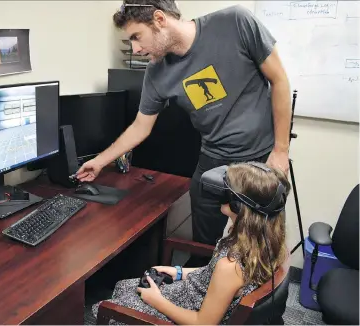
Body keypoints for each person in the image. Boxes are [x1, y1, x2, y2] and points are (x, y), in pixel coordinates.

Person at [76, 1, 292, 260]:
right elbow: (140, 127)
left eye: (136, 37)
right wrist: (99, 162)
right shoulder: (156, 73)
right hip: (212, 158)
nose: (135, 48)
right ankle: (199, 288)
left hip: (259, 157)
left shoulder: (236, 22)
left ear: (159, 19)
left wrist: (281, 150)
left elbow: (279, 80)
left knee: (259, 251)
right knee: (201, 249)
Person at [92, 162, 291, 325]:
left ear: (239, 206)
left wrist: (157, 301)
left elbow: (202, 323)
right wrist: (180, 271)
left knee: (106, 309)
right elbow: (215, 275)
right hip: (200, 293)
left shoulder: (231, 267)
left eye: (227, 190)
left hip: (194, 311)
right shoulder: (263, 243)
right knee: (124, 287)